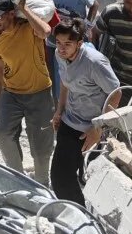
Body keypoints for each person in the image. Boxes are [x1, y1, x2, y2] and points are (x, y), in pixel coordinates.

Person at [0, 0, 56, 185]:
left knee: (41, 146)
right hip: (11, 94)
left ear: (11, 14)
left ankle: (42, 184)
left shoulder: (28, 29)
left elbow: (46, 31)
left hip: (39, 93)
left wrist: (23, 6)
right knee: (4, 134)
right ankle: (18, 179)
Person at [49, 17, 122, 206]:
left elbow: (116, 94)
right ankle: (78, 214)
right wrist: (59, 111)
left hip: (92, 129)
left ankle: (96, 217)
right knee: (60, 178)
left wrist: (98, 128)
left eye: (67, 44)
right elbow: (66, 83)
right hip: (70, 121)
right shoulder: (60, 55)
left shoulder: (94, 62)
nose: (62, 48)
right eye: (58, 42)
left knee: (91, 178)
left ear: (79, 44)